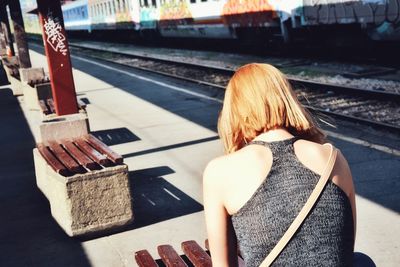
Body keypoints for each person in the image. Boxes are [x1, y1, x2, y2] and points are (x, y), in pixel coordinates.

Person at [203, 63, 356, 266]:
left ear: (235, 109)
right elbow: (345, 247)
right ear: (287, 98)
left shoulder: (219, 172)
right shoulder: (333, 158)